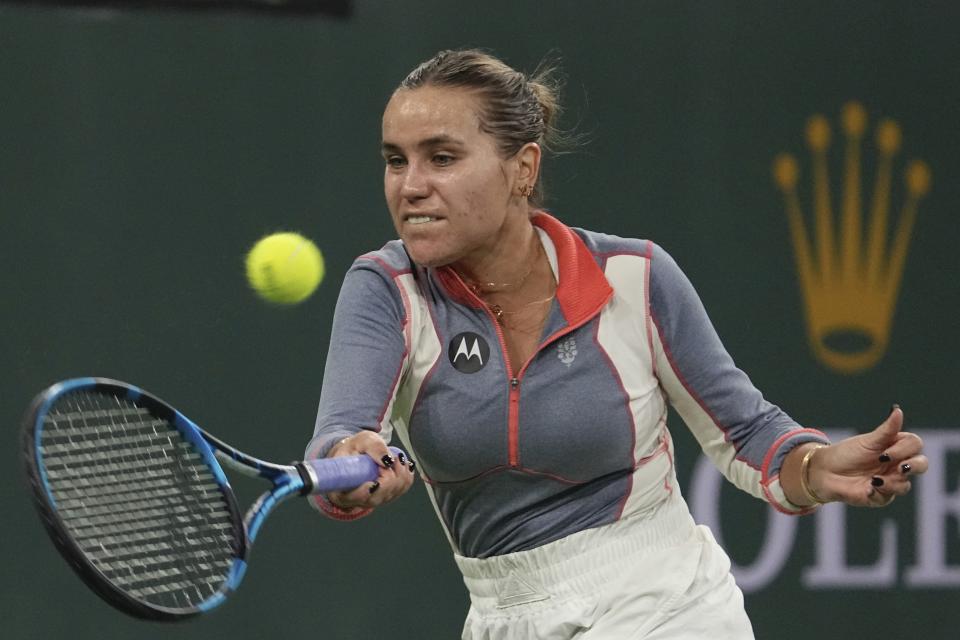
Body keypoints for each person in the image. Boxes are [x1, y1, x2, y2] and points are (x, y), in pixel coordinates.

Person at [303, 49, 928, 639]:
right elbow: (344, 435)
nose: (410, 186)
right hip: (502, 614)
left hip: (665, 604)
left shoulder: (636, 276)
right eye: (395, 160)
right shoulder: (385, 288)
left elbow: (745, 433)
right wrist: (350, 464)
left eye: (441, 158)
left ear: (523, 168)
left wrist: (817, 467)